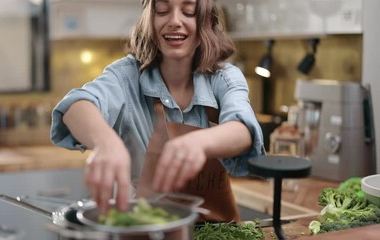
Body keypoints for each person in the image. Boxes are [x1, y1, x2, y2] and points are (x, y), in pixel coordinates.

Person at [51, 0, 265, 221]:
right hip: (143, 230)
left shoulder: (224, 77)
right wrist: (105, 143)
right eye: (162, 10)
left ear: (207, 20)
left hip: (214, 232)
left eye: (188, 11)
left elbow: (243, 129)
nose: (174, 21)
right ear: (149, 19)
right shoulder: (126, 76)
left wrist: (199, 143)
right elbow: (77, 105)